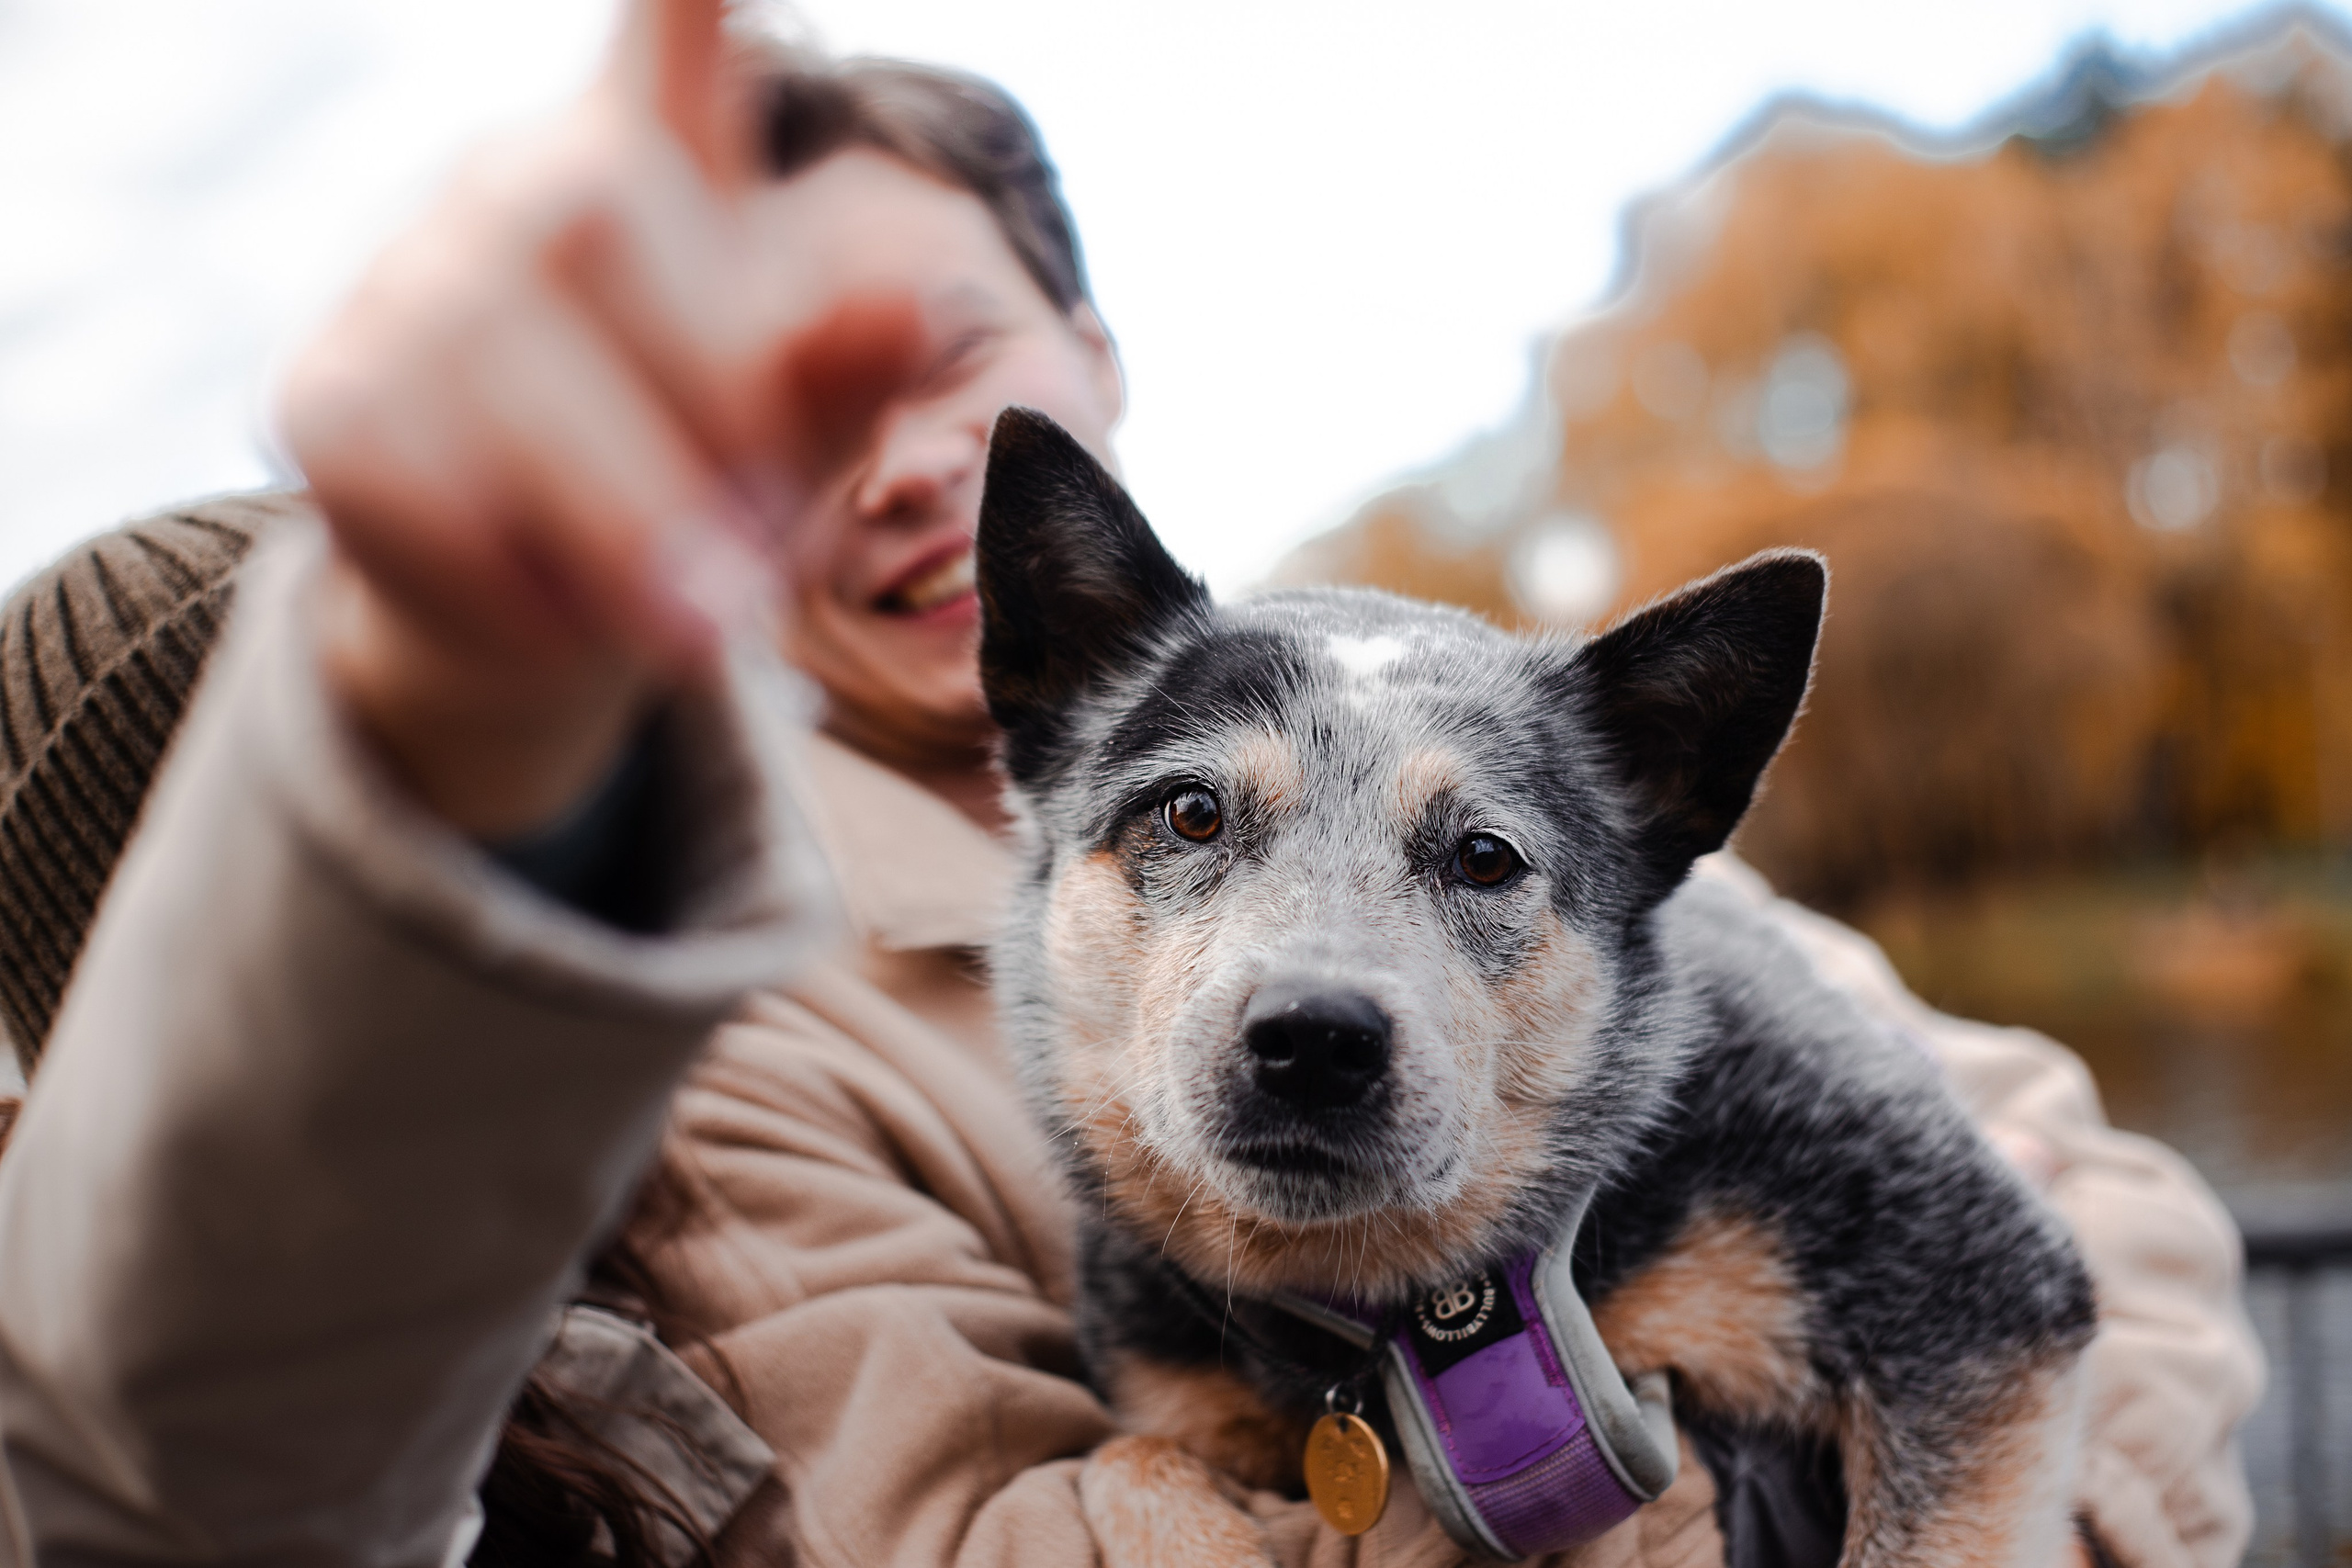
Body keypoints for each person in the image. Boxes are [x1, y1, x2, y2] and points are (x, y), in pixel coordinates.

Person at [0, 3, 2261, 1563]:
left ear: (1084, 362)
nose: (892, 469)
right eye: (792, 407)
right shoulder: (676, 1006)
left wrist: (2067, 1500)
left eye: (945, 362)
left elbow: (2103, 1208)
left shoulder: (1506, 770)